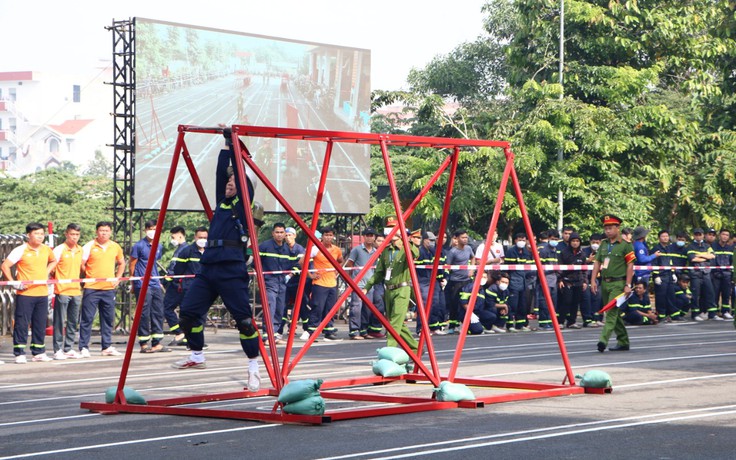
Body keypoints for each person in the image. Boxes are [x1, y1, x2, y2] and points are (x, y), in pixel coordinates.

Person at [172, 139, 263, 393]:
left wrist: (234, 144)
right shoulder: (221, 203)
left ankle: (253, 368)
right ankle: (197, 355)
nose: (230, 183)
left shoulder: (243, 206)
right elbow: (220, 172)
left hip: (232, 270)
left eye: (235, 181)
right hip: (209, 267)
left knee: (244, 322)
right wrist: (225, 145)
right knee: (189, 312)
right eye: (229, 181)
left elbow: (242, 181)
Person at [1, 222, 58, 363]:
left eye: (41, 234)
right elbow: (5, 266)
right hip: (25, 294)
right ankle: (19, 352)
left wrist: (46, 272)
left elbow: (54, 261)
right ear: (28, 235)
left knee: (39, 324)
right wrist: (14, 282)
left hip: (42, 293)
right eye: (36, 234)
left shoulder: (46, 250)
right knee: (22, 323)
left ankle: (38, 352)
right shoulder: (21, 250)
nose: (40, 236)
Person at [363, 225, 420, 352]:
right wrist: (367, 287)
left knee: (394, 323)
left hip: (402, 289)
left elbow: (416, 254)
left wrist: (405, 242)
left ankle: (390, 351)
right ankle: (416, 348)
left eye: (395, 230)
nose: (391, 233)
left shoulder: (407, 249)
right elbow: (379, 272)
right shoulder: (386, 250)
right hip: (388, 290)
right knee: (394, 323)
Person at [79, 221, 126, 358]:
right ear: (96, 232)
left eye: (106, 230)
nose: (104, 233)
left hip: (108, 289)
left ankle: (107, 346)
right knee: (87, 318)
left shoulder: (115, 246)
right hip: (91, 288)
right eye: (101, 230)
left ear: (110, 232)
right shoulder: (89, 246)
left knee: (107, 318)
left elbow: (122, 262)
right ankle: (83, 347)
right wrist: (88, 274)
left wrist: (117, 278)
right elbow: (81, 263)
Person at [590, 215, 635, 352]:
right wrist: (593, 280)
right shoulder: (604, 244)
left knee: (610, 312)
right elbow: (597, 262)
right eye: (606, 228)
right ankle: (623, 341)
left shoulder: (626, 245)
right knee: (614, 313)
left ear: (617, 228)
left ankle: (603, 340)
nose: (608, 231)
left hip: (619, 283)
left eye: (610, 228)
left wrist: (628, 284)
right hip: (605, 282)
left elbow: (630, 266)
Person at [130, 219, 170, 353]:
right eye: (151, 228)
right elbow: (132, 264)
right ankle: (143, 343)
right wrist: (134, 282)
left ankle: (157, 342)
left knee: (158, 311)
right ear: (146, 230)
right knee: (144, 313)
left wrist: (157, 280)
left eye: (156, 229)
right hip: (142, 283)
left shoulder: (158, 245)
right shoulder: (139, 246)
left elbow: (154, 264)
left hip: (155, 283)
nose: (153, 231)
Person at [51, 223, 83, 360]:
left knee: (73, 321)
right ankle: (57, 349)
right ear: (66, 234)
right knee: (59, 321)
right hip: (62, 290)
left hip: (76, 290)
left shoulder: (80, 249)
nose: (74, 237)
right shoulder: (59, 249)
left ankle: (68, 348)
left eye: (77, 235)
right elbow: (52, 267)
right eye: (72, 234)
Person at [307, 226, 344, 341]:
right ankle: (312, 330)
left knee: (330, 308)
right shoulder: (315, 249)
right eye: (326, 235)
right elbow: (302, 262)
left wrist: (336, 272)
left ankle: (328, 330)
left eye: (330, 235)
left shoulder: (336, 249)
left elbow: (340, 261)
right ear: (322, 237)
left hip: (332, 283)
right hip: (319, 283)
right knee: (318, 307)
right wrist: (311, 275)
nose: (328, 237)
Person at [344, 227, 380, 339]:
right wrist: (352, 279)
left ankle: (364, 330)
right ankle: (354, 331)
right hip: (358, 284)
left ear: (374, 238)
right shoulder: (357, 250)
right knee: (356, 308)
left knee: (367, 309)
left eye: (372, 235)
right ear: (363, 237)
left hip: (369, 285)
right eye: (367, 235)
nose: (369, 238)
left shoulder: (376, 252)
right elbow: (349, 264)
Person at [258, 222, 291, 342]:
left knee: (280, 308)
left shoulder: (287, 248)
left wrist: (290, 275)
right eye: (277, 232)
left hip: (282, 282)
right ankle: (267, 333)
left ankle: (275, 333)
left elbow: (294, 263)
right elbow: (254, 260)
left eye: (282, 232)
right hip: (269, 281)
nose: (279, 235)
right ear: (273, 233)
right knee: (270, 307)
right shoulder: (264, 246)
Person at [414, 231, 448, 335]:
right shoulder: (420, 252)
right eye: (431, 240)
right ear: (424, 240)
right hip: (422, 281)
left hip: (433, 281)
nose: (433, 242)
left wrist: (443, 278)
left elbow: (440, 266)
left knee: (436, 304)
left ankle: (434, 327)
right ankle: (421, 328)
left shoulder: (433, 252)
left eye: (434, 240)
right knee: (424, 305)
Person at [444, 229, 475, 334]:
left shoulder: (469, 248)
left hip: (466, 281)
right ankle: (452, 326)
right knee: (454, 304)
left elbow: (473, 257)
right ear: (456, 238)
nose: (465, 239)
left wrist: (471, 269)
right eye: (463, 237)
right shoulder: (452, 252)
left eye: (466, 237)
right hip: (455, 281)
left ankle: (465, 325)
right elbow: (447, 266)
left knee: (466, 303)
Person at [162, 226, 188, 344]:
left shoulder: (184, 250)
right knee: (183, 310)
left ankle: (179, 332)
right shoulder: (181, 249)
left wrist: (166, 280)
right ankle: (185, 335)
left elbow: (175, 269)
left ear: (180, 235)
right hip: (180, 284)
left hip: (177, 284)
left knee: (166, 308)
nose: (172, 239)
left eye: (173, 237)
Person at [505, 232, 535, 332]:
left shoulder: (527, 252)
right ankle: (510, 325)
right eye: (519, 240)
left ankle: (520, 324)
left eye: (523, 240)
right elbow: (508, 267)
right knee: (513, 304)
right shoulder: (511, 251)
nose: (521, 242)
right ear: (515, 240)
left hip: (524, 282)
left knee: (523, 305)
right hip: (514, 281)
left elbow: (530, 267)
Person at [558, 232, 587, 329]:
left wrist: (584, 281)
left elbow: (584, 269)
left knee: (575, 302)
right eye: (573, 241)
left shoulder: (582, 254)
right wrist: (560, 280)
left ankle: (571, 322)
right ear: (570, 242)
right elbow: (560, 268)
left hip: (578, 281)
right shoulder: (564, 253)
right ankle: (560, 321)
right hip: (567, 281)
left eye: (577, 241)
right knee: (566, 301)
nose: (575, 243)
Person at [686, 228, 716, 321]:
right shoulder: (690, 246)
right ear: (694, 235)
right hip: (695, 274)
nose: (698, 236)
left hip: (706, 273)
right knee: (695, 295)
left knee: (710, 293)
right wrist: (706, 257)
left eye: (700, 234)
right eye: (696, 234)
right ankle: (695, 314)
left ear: (703, 235)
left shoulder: (707, 245)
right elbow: (693, 259)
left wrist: (699, 255)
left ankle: (712, 314)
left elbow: (712, 256)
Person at [536, 229, 560, 330]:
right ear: (548, 238)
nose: (554, 241)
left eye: (556, 239)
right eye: (552, 239)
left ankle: (550, 321)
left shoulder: (556, 250)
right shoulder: (544, 250)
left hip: (553, 280)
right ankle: (543, 322)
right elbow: (538, 264)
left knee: (553, 302)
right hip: (545, 279)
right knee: (544, 301)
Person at [652, 230, 677, 322]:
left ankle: (672, 315)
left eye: (667, 236)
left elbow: (671, 262)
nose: (665, 238)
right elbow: (654, 263)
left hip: (669, 275)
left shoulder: (669, 249)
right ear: (659, 238)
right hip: (661, 276)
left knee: (671, 295)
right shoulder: (656, 249)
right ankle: (661, 315)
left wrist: (673, 273)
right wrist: (656, 276)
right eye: (663, 236)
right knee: (660, 297)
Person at [581, 233, 604, 327]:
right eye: (593, 242)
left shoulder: (603, 251)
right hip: (586, 278)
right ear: (590, 242)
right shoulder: (584, 251)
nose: (595, 244)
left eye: (597, 242)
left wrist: (603, 266)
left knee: (598, 298)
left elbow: (606, 262)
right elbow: (580, 263)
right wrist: (588, 261)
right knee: (586, 299)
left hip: (598, 279)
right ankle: (587, 319)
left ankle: (597, 318)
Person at [711, 229, 733, 319]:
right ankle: (715, 312)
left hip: (727, 274)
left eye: (727, 235)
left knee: (726, 294)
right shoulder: (713, 246)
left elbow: (731, 261)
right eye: (723, 234)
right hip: (715, 274)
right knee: (715, 294)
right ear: (719, 235)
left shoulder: (730, 248)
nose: (725, 236)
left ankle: (725, 311)